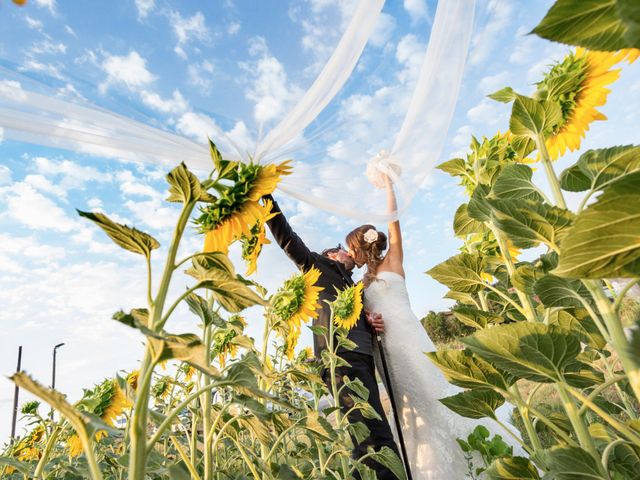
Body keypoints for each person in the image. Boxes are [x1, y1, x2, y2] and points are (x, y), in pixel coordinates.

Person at [345, 175, 520, 478]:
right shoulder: (361, 284)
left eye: (351, 249)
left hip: (410, 339)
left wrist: (388, 186)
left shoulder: (394, 260)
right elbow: (363, 317)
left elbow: (394, 222)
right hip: (388, 351)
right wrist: (370, 321)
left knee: (433, 392)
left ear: (363, 248)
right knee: (408, 406)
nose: (349, 255)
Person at [263, 193, 402, 480]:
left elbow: (362, 317)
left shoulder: (353, 285)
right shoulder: (317, 268)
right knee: (368, 438)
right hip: (339, 360)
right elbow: (287, 237)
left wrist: (372, 320)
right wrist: (267, 199)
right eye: (340, 249)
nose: (347, 252)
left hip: (362, 359)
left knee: (375, 429)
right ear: (329, 255)